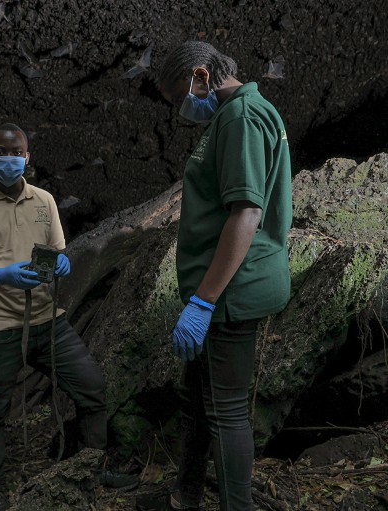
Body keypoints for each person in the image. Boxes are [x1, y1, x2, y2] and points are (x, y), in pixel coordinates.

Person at [0, 123, 138, 511]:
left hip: (48, 320)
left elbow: (57, 251)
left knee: (92, 387)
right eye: (3, 151)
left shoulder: (44, 200)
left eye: (17, 152)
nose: (10, 158)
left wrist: (62, 264)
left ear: (28, 157)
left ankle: (91, 466)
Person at [146, 41, 292, 510]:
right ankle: (184, 496)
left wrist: (204, 301)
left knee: (226, 410)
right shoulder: (229, 116)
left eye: (178, 97)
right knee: (197, 400)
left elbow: (247, 212)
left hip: (231, 290)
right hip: (218, 288)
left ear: (203, 76)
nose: (181, 109)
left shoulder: (242, 117)